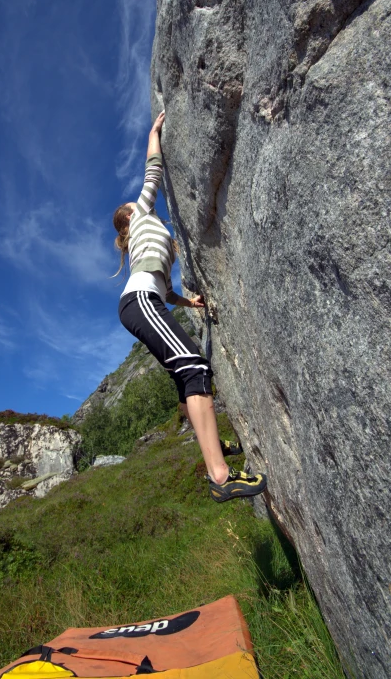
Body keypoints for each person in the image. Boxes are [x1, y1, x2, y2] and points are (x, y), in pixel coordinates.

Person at [113, 111, 267, 502]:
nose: (139, 201)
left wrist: (188, 301)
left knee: (186, 377)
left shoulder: (146, 241)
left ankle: (216, 448)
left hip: (146, 300)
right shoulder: (142, 215)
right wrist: (153, 133)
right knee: (195, 366)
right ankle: (220, 476)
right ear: (130, 215)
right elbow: (154, 171)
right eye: (133, 204)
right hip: (138, 301)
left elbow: (164, 290)